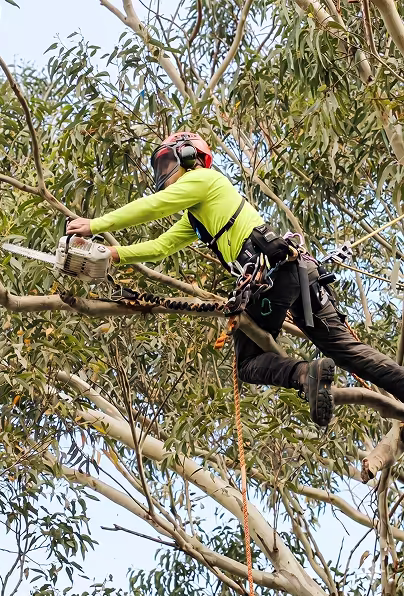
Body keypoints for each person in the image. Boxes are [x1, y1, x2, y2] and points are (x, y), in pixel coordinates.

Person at [67, 131, 404, 427]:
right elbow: (162, 245)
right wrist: (114, 254)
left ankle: (305, 374)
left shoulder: (203, 181)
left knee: (249, 364)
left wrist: (95, 225)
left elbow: (154, 206)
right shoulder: (200, 212)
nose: (163, 173)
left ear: (187, 156)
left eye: (166, 162)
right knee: (347, 352)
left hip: (271, 275)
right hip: (296, 272)